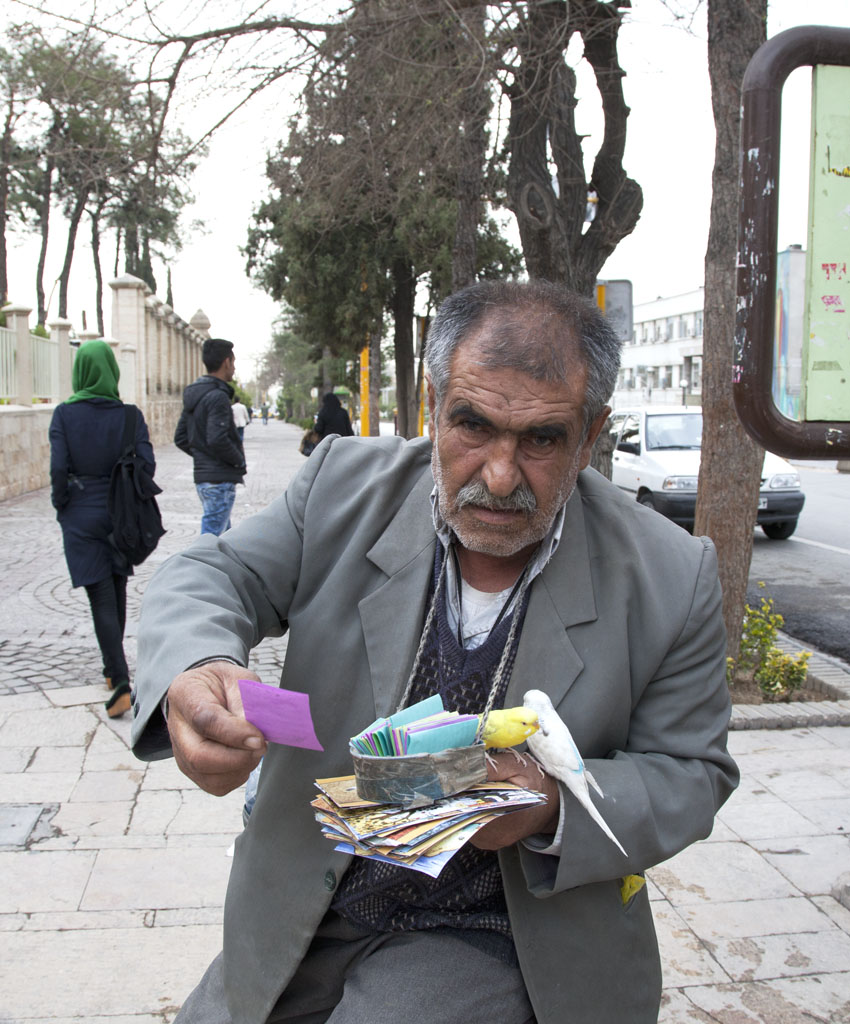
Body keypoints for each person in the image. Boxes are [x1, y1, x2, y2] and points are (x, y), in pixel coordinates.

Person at [132, 280, 738, 1024]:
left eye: (542, 439)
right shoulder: (340, 487)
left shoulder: (671, 574)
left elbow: (692, 774)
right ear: (433, 402)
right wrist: (198, 668)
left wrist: (547, 805)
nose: (500, 475)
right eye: (472, 425)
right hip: (307, 901)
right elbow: (212, 575)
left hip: (498, 933)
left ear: (590, 436)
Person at [50, 340, 156, 719]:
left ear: (80, 371)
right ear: (112, 370)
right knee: (116, 586)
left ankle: (120, 679)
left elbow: (58, 468)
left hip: (81, 513)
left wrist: (62, 504)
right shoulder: (129, 416)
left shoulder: (64, 415)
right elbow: (147, 466)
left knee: (100, 595)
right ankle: (113, 671)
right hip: (120, 514)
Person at [174, 338, 246, 536]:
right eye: (233, 362)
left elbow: (181, 437)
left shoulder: (195, 393)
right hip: (219, 480)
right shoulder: (218, 396)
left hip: (206, 478)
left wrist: (202, 455)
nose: (234, 368)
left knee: (222, 537)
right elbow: (216, 438)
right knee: (210, 541)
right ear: (226, 362)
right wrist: (238, 460)